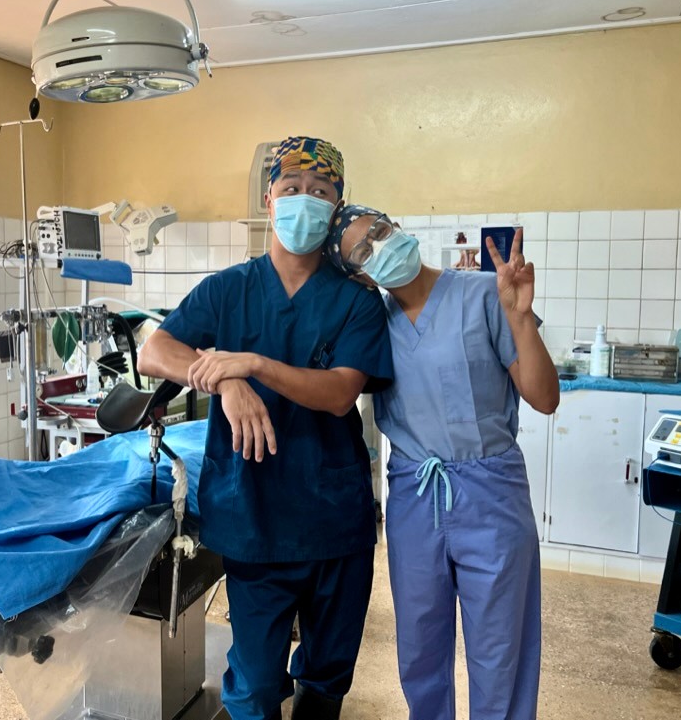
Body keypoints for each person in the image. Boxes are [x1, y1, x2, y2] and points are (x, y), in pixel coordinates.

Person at [137, 137, 394, 720]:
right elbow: (155, 351)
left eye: (321, 192)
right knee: (253, 687)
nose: (305, 201)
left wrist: (252, 364)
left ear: (337, 206)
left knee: (327, 680)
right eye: (292, 189)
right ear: (267, 197)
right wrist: (224, 381)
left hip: (333, 517)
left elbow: (338, 394)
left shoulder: (356, 300)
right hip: (253, 515)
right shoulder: (229, 289)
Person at [325, 205, 560, 720]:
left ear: (398, 229)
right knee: (419, 646)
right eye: (363, 251)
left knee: (501, 649)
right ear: (357, 274)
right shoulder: (370, 322)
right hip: (414, 494)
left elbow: (544, 398)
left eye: (381, 233)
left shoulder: (482, 294)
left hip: (492, 494)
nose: (380, 249)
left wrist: (520, 318)